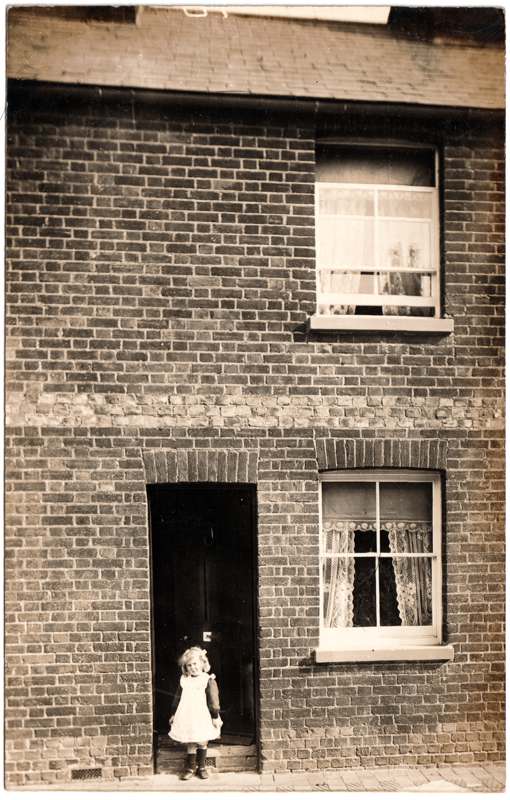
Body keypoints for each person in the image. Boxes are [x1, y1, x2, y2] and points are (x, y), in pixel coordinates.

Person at [168, 647, 222, 780]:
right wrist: (174, 714)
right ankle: (191, 768)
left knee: (202, 740)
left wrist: (215, 716)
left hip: (202, 715)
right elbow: (177, 698)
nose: (193, 668)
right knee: (191, 740)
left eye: (195, 664)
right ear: (186, 667)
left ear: (202, 663)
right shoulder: (184, 680)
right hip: (187, 714)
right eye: (189, 665)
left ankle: (202, 767)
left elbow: (213, 700)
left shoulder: (207, 679)